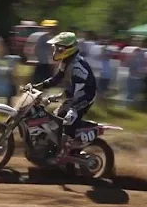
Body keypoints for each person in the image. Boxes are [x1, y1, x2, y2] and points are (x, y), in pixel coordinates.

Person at [27, 32, 97, 164]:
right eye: (55, 48)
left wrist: (55, 97)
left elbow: (76, 90)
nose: (55, 50)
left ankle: (65, 153)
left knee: (68, 120)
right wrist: (39, 86)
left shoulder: (78, 66)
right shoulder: (67, 61)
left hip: (85, 96)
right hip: (75, 94)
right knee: (55, 118)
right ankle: (53, 148)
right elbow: (57, 78)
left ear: (67, 48)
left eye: (58, 48)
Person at [32, 19, 57, 84]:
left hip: (48, 64)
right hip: (42, 63)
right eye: (47, 28)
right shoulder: (42, 38)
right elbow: (36, 50)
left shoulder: (52, 38)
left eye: (51, 28)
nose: (49, 30)